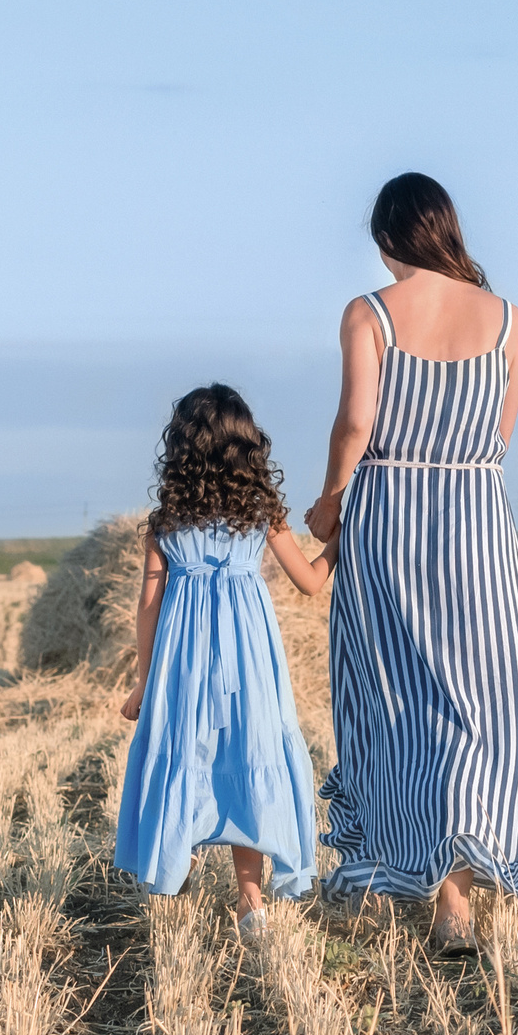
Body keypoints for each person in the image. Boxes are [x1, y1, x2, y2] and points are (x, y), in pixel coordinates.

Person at [304, 172, 518, 948]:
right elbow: (502, 436)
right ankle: (470, 868)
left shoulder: (370, 314)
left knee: (394, 698)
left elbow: (356, 420)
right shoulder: (510, 320)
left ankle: (417, 874)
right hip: (474, 518)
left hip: (388, 514)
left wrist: (330, 502)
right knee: (491, 696)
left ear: (390, 237)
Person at [113, 384, 335, 943]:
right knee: (248, 756)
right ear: (246, 447)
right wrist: (342, 536)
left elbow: (148, 608)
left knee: (187, 753)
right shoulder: (261, 515)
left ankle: (173, 866)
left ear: (181, 449)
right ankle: (250, 902)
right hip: (249, 659)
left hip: (181, 661)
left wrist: (144, 683)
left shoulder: (165, 524)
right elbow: (310, 582)